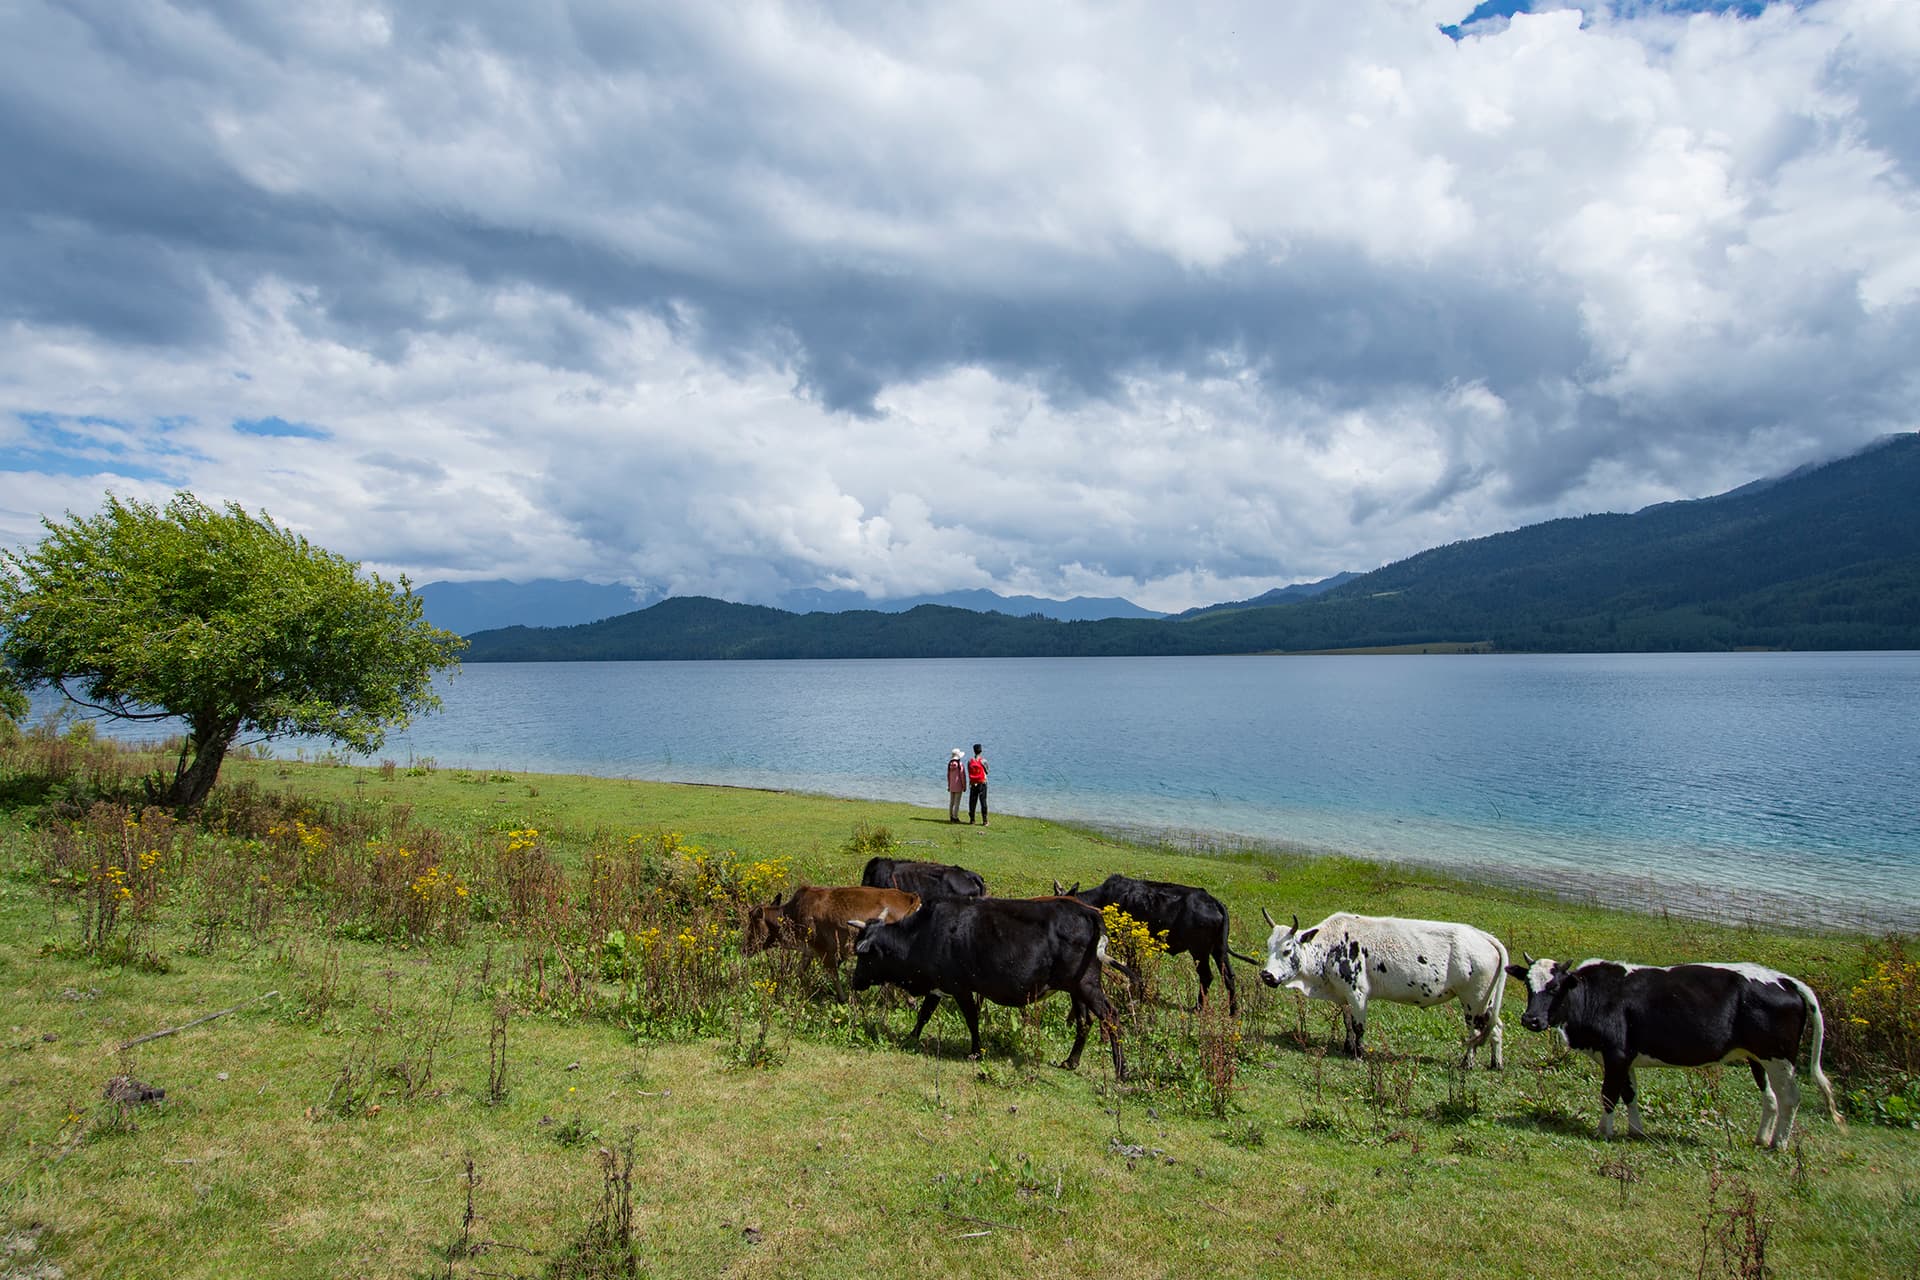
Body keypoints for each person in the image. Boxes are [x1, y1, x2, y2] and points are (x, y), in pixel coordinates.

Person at [967, 742, 989, 826]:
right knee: (983, 801)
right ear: (981, 751)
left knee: (972, 802)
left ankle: (972, 820)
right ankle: (985, 820)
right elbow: (987, 771)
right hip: (982, 783)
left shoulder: (970, 761)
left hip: (973, 783)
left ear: (974, 751)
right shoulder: (983, 761)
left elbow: (969, 771)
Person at [945, 747, 967, 822]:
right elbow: (962, 776)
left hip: (951, 785)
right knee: (957, 802)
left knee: (951, 802)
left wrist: (949, 785)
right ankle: (955, 817)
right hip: (958, 786)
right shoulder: (960, 764)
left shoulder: (949, 764)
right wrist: (964, 786)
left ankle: (951, 816)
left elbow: (948, 776)